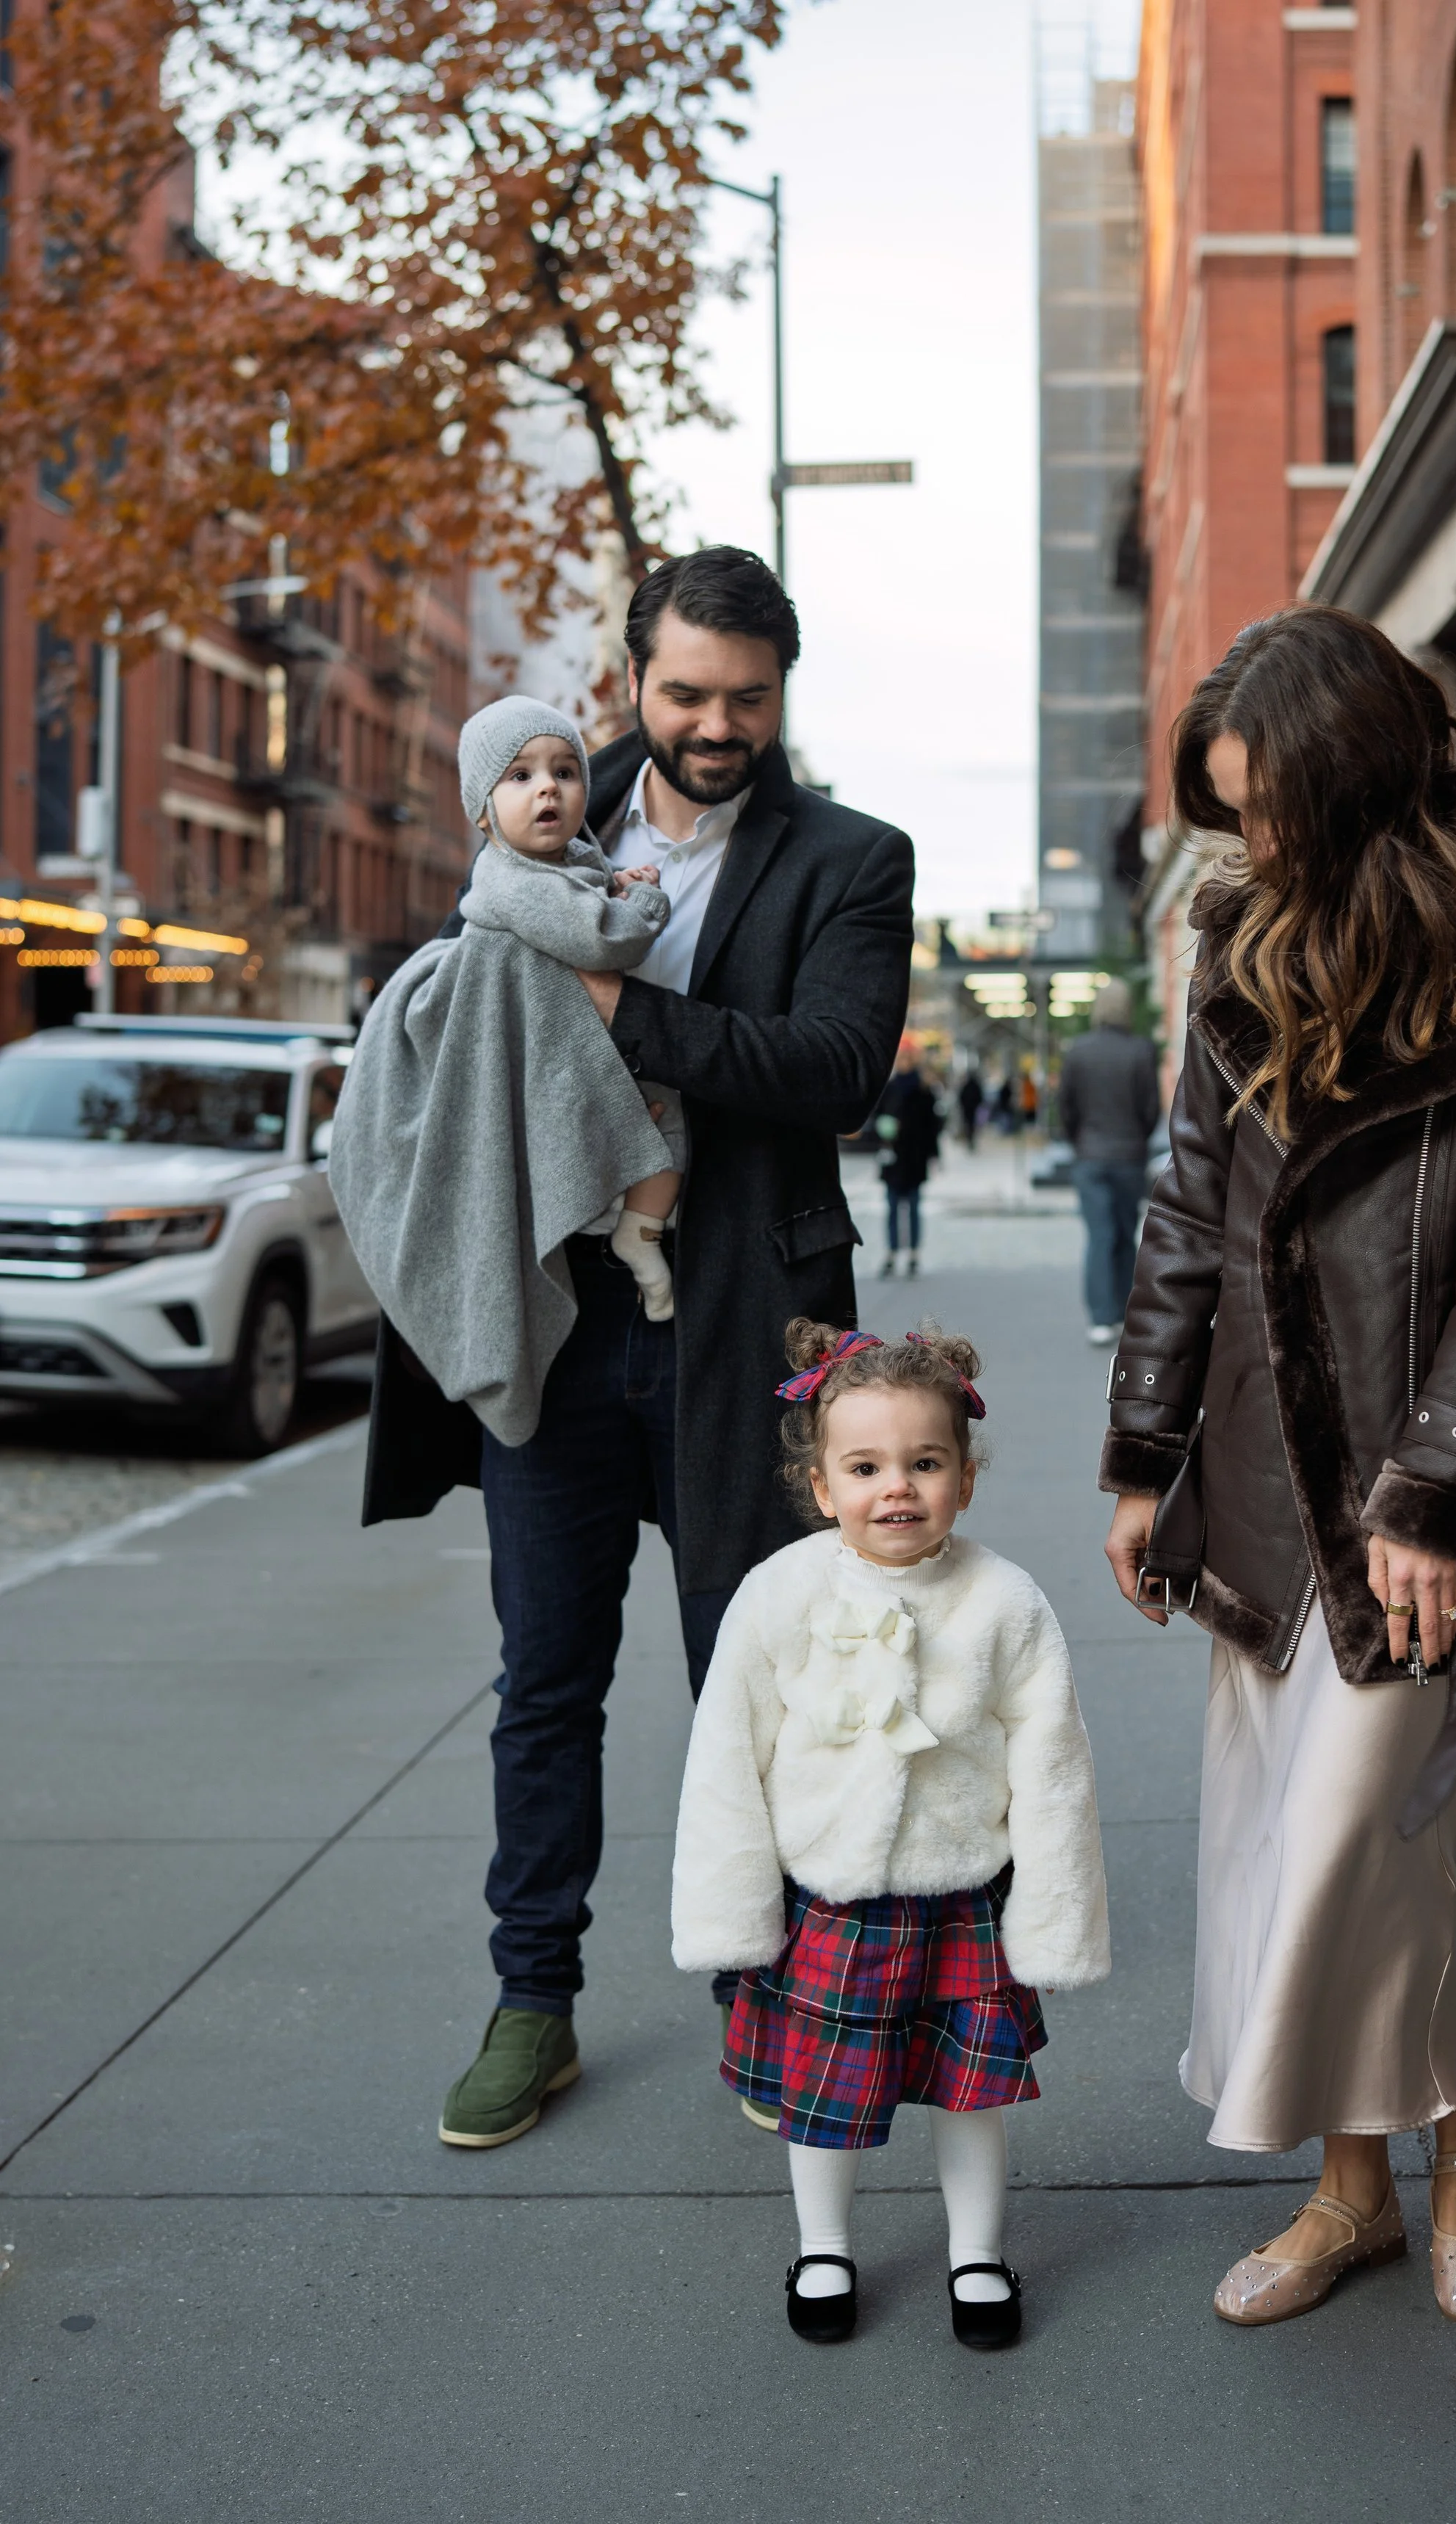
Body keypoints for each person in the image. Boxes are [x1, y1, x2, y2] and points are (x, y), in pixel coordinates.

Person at [356, 546, 916, 2149]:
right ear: (632, 679)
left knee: (756, 1678)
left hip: (749, 1319)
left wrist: (614, 1010)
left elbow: (830, 1066)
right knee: (545, 1677)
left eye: (746, 695)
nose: (714, 721)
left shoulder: (850, 857)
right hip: (551, 1325)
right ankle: (532, 1998)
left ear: (780, 689)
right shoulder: (528, 798)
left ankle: (770, 1984)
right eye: (684, 691)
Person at [1100, 604, 1456, 2327]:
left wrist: (1444, 1488)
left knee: (1361, 1839)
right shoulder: (1240, 926)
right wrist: (1143, 1450)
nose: (1248, 844)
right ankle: (1356, 2191)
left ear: (1355, 781)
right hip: (1257, 1461)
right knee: (1292, 1836)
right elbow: (1187, 1199)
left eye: (1270, 808)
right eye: (1230, 812)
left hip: (1423, 1476)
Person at [671, 1320, 1109, 2347]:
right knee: (819, 2097)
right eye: (865, 1467)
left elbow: (1054, 1768)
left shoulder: (1006, 1601)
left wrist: (1052, 1915)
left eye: (925, 1463)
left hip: (963, 1896)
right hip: (828, 1898)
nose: (896, 1488)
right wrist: (734, 1912)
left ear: (965, 1474)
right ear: (822, 1485)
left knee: (970, 2095)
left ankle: (977, 2254)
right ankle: (823, 2246)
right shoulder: (778, 1594)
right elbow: (727, 1758)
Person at [330, 701, 687, 1447]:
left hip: (597, 1081)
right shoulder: (519, 888)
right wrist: (643, 899)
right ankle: (636, 1231)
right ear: (483, 812)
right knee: (663, 1125)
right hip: (568, 1099)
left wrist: (611, 882)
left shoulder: (576, 870)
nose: (547, 789)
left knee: (670, 1122)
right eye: (520, 776)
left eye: (564, 771)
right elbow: (604, 940)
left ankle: (639, 1230)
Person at [1058, 979, 1160, 1347]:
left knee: (1099, 1236)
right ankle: (1123, 1312)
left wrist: (1080, 1140)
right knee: (1124, 1235)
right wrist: (1136, 1137)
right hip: (1129, 1156)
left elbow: (1066, 1107)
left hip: (1091, 1156)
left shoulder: (1078, 1051)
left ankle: (1101, 1318)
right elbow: (1151, 1108)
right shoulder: (1141, 1050)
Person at [874, 1039, 943, 1279]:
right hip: (893, 1157)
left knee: (913, 1207)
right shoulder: (889, 1087)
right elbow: (877, 1118)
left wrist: (935, 1155)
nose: (904, 1062)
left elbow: (933, 1126)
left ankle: (914, 1254)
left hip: (914, 1158)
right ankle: (892, 1253)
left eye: (908, 1058)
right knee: (893, 1207)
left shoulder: (924, 1090)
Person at [956, 1064, 985, 1151]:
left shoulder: (966, 1086)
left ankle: (970, 1140)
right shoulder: (975, 1086)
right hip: (972, 1109)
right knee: (972, 1126)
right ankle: (971, 1140)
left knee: (969, 1125)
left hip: (968, 1110)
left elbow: (961, 1097)